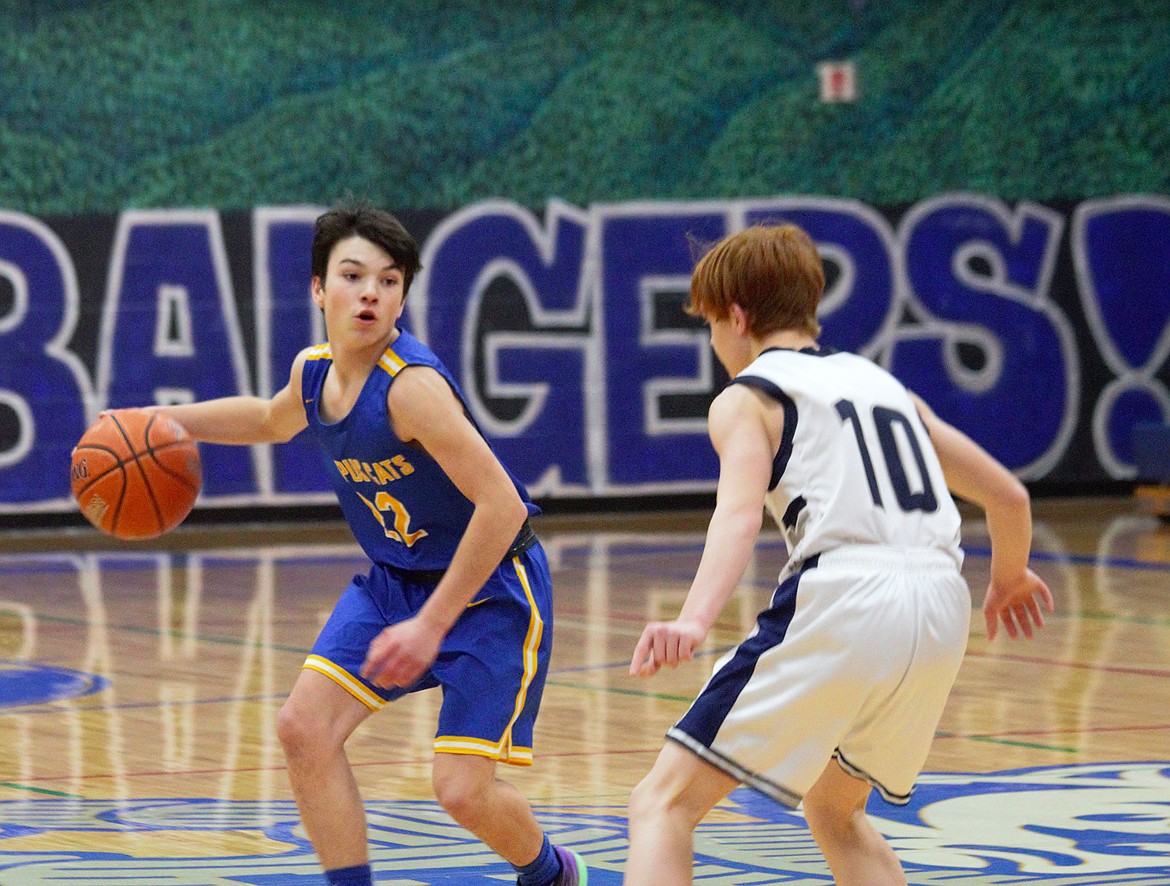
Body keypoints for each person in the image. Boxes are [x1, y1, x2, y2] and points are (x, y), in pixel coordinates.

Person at [146, 200, 586, 886]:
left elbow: (501, 505)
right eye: (353, 277)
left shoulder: (412, 391)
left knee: (461, 791)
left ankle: (552, 873)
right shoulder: (314, 372)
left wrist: (432, 623)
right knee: (303, 728)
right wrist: (156, 422)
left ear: (402, 295)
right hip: (394, 583)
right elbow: (267, 419)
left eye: (388, 281)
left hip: (490, 589)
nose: (371, 294)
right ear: (319, 289)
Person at [623, 223, 1054, 886]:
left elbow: (737, 516)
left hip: (847, 593)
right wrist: (1010, 576)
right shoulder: (884, 386)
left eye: (711, 326)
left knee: (662, 803)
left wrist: (694, 620)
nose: (714, 345)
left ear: (737, 317)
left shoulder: (750, 396)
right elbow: (1008, 497)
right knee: (835, 808)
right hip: (941, 604)